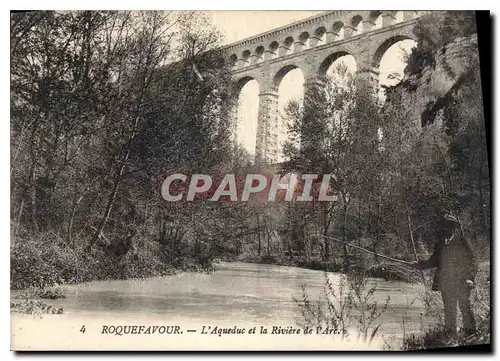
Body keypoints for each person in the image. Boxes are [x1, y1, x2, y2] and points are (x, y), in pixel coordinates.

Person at [411, 214, 478, 334]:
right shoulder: (440, 244)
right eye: (443, 227)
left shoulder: (462, 242)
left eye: (448, 227)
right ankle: (450, 335)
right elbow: (433, 262)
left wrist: (470, 278)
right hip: (446, 283)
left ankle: (471, 334)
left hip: (462, 282)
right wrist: (419, 265)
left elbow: (472, 262)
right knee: (449, 310)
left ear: (454, 228)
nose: (445, 230)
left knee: (465, 308)